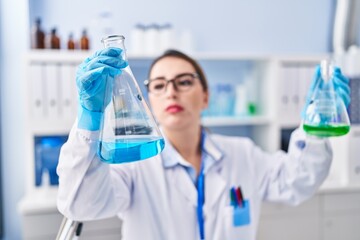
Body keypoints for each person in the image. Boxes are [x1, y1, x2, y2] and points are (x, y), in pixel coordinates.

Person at [57, 48, 350, 240]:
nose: (171, 91)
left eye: (184, 81)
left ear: (205, 96)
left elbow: (297, 181)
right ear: (147, 102)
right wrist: (90, 117)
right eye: (158, 85)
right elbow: (81, 205)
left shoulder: (242, 154)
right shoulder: (135, 164)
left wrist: (318, 128)